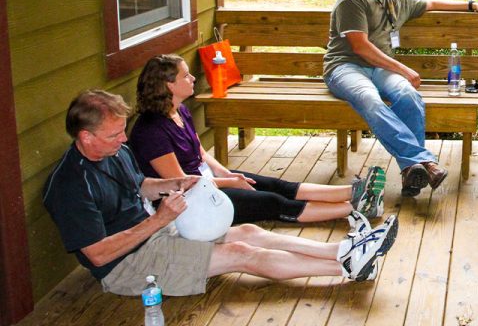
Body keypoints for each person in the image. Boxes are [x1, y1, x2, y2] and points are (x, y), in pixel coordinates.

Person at [43, 90, 398, 297]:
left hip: (158, 231)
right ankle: (345, 267)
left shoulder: (115, 152)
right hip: (128, 266)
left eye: (123, 132)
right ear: (86, 137)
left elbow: (138, 186)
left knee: (247, 232)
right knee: (242, 253)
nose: (124, 140)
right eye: (114, 135)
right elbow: (100, 255)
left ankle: (344, 249)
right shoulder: (70, 187)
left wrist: (170, 184)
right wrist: (161, 220)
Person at [323, 0, 478, 197]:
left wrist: (472, 5)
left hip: (379, 68)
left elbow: (431, 3)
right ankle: (426, 162)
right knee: (370, 100)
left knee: (408, 96)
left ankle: (411, 172)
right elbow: (360, 47)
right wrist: (404, 69)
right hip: (345, 67)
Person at [128, 54, 386, 226]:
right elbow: (181, 184)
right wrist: (228, 182)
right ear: (169, 86)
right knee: (271, 202)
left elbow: (201, 154)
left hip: (207, 180)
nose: (193, 78)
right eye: (186, 76)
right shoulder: (151, 131)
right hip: (192, 203)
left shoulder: (179, 111)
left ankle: (354, 192)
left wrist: (228, 174)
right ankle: (355, 208)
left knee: (274, 184)